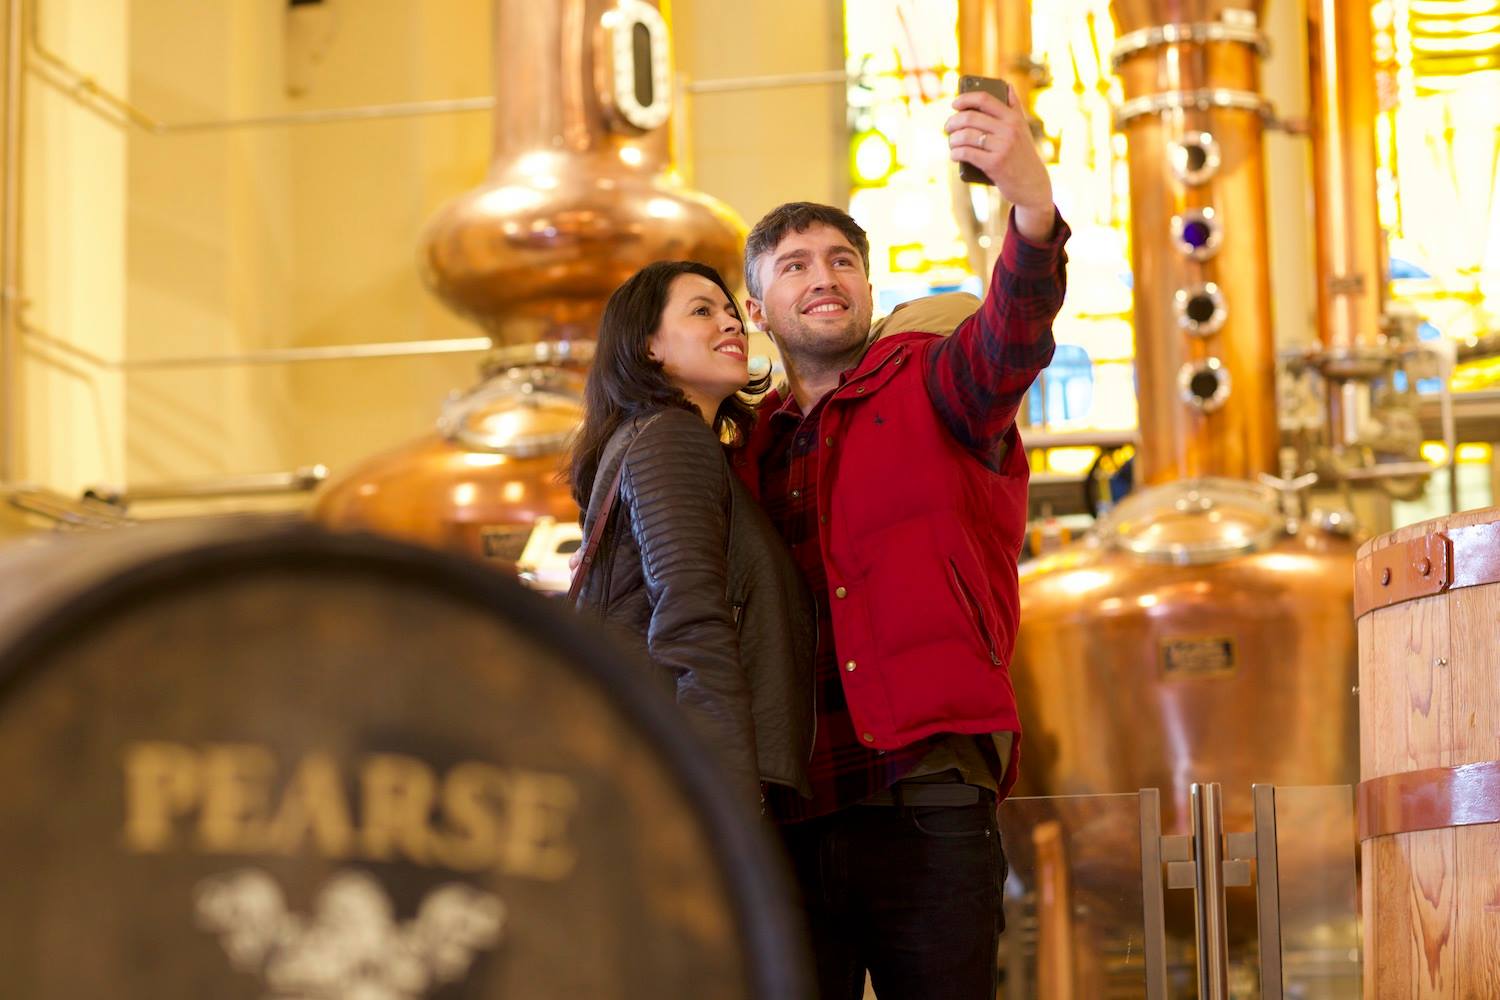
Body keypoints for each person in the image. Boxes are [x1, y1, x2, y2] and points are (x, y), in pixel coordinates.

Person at [729, 84, 1070, 998]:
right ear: (758, 309)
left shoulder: (935, 383)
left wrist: (1029, 206)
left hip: (929, 789)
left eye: (842, 260)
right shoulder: (744, 447)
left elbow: (1013, 337)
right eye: (795, 266)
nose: (824, 277)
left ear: (869, 289)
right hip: (791, 811)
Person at [568, 260, 815, 810]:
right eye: (703, 311)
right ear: (649, 347)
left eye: (731, 312)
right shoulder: (671, 438)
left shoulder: (653, 437)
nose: (731, 324)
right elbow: (692, 618)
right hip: (672, 779)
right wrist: (725, 801)